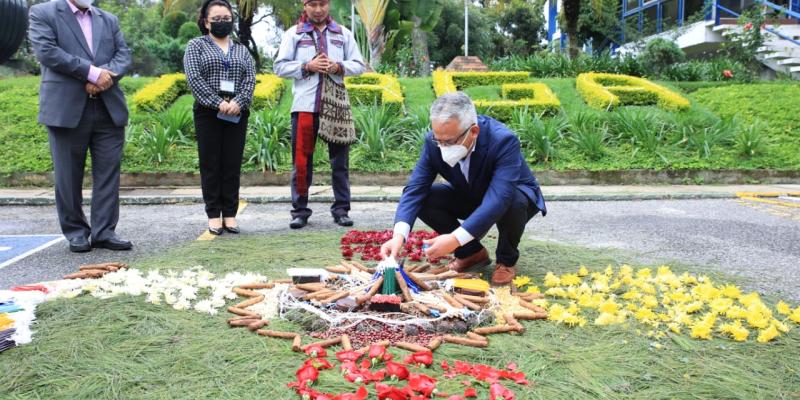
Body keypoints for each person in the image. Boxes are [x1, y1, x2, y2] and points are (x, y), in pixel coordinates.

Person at [380, 92, 547, 286]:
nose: (443, 147)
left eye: (449, 142)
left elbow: (499, 198)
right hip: (470, 194)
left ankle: (506, 260)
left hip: (512, 198)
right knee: (425, 198)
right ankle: (471, 254)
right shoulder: (433, 143)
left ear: (473, 131)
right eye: (438, 140)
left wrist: (455, 239)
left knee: (514, 200)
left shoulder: (503, 141)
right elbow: (415, 189)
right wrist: (398, 236)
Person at [28, 0, 133, 252]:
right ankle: (76, 232)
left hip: (108, 107)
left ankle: (104, 232)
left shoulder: (108, 19)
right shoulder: (43, 13)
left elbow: (123, 55)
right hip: (65, 109)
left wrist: (104, 76)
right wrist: (91, 73)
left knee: (108, 174)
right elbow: (47, 52)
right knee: (68, 176)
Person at [273, 0, 366, 230]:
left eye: (322, 3)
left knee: (340, 163)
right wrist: (307, 66)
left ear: (329, 4)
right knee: (301, 162)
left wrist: (338, 67)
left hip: (337, 107)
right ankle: (300, 211)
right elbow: (279, 67)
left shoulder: (342, 33)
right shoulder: (294, 33)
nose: (318, 9)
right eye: (312, 4)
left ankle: (342, 210)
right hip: (305, 107)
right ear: (304, 5)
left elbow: (359, 65)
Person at [184, 0, 256, 235]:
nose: (222, 22)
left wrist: (238, 102)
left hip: (237, 112)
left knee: (231, 164)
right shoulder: (196, 46)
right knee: (211, 164)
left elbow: (250, 80)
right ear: (206, 22)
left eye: (226, 18)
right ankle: (214, 214)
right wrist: (218, 103)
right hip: (208, 112)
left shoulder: (242, 49)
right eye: (216, 19)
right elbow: (194, 78)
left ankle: (230, 214)